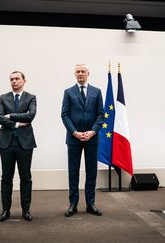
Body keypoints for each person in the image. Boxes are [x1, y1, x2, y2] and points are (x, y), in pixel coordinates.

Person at [61, 63, 104, 217]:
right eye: (78, 71)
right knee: (73, 172)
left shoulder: (97, 92)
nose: (80, 74)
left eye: (83, 71)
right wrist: (74, 132)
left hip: (92, 138)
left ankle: (90, 203)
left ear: (88, 73)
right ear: (75, 74)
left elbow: (101, 115)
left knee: (91, 172)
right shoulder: (68, 92)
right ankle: (73, 204)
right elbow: (64, 114)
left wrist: (92, 131)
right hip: (74, 139)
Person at [0, 71, 37, 222]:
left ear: (24, 81)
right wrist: (18, 123)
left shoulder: (31, 97)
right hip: (6, 143)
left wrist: (10, 116)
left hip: (25, 143)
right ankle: (5, 210)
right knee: (6, 178)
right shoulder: (3, 97)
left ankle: (26, 210)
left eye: (17, 79)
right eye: (11, 79)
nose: (14, 81)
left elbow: (30, 115)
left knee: (26, 178)